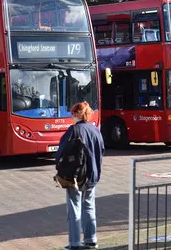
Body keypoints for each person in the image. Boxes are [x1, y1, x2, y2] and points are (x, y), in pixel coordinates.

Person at [56, 102, 105, 250]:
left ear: (77, 114)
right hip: (92, 175)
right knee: (89, 206)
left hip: (75, 176)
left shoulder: (73, 131)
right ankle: (91, 239)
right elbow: (101, 150)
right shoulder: (95, 130)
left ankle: (75, 243)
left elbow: (61, 152)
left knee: (74, 208)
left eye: (72, 113)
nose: (71, 116)